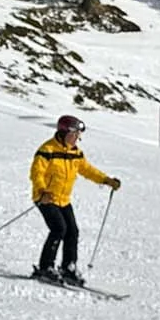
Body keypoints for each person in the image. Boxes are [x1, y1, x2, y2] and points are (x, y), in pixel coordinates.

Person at [29, 114, 120, 286]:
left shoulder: (75, 152)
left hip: (63, 199)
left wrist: (106, 180)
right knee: (58, 229)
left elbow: (86, 169)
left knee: (72, 231)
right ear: (63, 133)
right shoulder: (47, 150)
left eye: (78, 135)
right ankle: (45, 267)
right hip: (46, 198)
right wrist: (42, 192)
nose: (77, 138)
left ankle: (68, 268)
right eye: (74, 135)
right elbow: (36, 173)